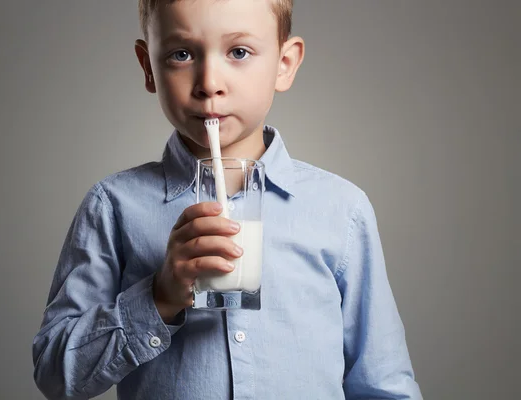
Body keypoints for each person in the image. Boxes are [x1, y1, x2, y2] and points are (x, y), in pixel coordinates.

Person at [32, 0, 423, 399]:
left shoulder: (341, 209)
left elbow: (382, 383)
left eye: (239, 52)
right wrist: (158, 297)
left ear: (284, 64)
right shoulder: (113, 206)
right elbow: (55, 374)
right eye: (181, 54)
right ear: (148, 66)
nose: (209, 82)